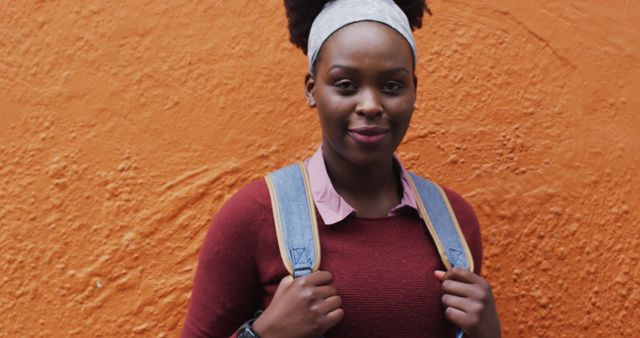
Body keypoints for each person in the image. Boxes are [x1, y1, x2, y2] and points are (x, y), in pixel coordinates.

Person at [181, 0, 501, 337]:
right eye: (346, 85)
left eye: (392, 86)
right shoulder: (254, 217)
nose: (370, 105)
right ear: (311, 89)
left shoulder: (454, 222)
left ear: (414, 91)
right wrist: (264, 334)